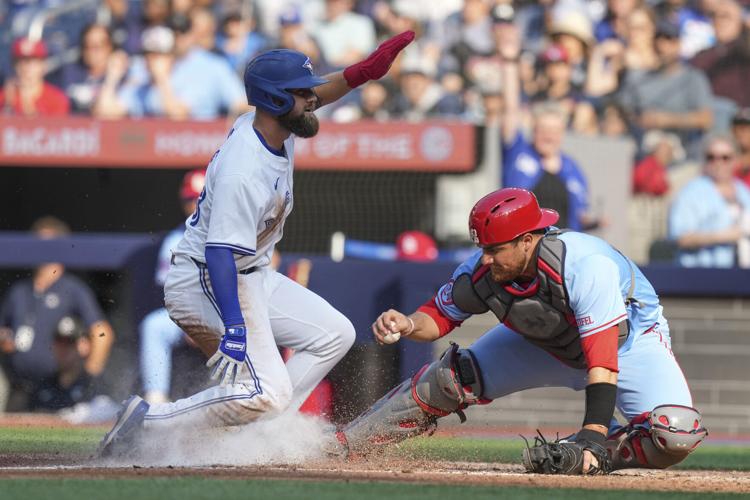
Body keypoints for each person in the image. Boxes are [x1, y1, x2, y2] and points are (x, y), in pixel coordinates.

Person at [98, 31, 416, 456]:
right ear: (277, 101)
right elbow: (219, 253)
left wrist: (363, 73)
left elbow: (323, 93)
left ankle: (263, 434)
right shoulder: (243, 166)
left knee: (334, 334)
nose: (312, 99)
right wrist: (232, 327)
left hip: (248, 274)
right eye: (301, 93)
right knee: (265, 391)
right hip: (206, 281)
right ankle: (146, 422)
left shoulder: (272, 125)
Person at [331, 187, 707, 475]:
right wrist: (409, 323)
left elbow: (603, 363)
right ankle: (345, 445)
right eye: (482, 248)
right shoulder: (484, 268)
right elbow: (440, 317)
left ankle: (600, 451)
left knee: (676, 432)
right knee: (452, 378)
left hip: (627, 347)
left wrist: (593, 438)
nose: (486, 258)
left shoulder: (584, 264)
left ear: (528, 240)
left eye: (495, 249)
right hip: (544, 345)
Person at [0, 217, 116, 412]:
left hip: (60, 389)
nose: (41, 249)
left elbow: (102, 333)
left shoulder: (73, 289)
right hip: (19, 386)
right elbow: (4, 330)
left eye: (48, 244)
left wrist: (88, 378)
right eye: (37, 243)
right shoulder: (19, 291)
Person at [498, 23, 593, 232]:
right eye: (544, 130)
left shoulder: (571, 168)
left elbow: (581, 213)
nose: (549, 136)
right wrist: (509, 61)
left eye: (554, 131)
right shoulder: (518, 152)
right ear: (534, 130)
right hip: (522, 245)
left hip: (562, 251)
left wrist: (593, 221)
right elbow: (511, 108)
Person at [138, 169, 206, 405]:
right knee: (154, 326)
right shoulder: (175, 240)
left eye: (200, 198)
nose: (194, 205)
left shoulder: (235, 232)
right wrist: (190, 322)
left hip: (230, 315)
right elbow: (172, 292)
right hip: (190, 315)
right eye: (190, 199)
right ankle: (155, 401)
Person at [669, 135, 750, 268]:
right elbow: (680, 238)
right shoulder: (691, 193)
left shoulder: (744, 192)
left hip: (742, 276)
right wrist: (723, 236)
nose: (718, 163)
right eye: (711, 157)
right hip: (701, 276)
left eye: (725, 158)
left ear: (735, 160)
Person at [0, 37, 69, 116]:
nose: (25, 68)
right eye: (20, 62)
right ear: (13, 65)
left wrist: (27, 102)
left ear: (43, 65)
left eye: (32, 62)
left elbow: (52, 126)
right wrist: (8, 105)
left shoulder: (56, 99)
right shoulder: (4, 97)